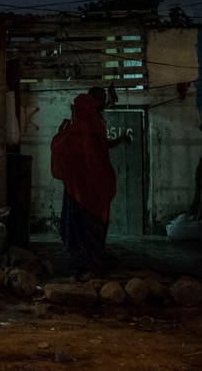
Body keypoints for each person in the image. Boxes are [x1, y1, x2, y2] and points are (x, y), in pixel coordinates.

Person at [50, 86, 131, 276]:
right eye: (97, 100)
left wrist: (61, 133)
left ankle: (86, 261)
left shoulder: (81, 126)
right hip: (97, 184)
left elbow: (69, 152)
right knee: (96, 224)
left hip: (82, 188)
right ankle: (95, 258)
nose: (100, 104)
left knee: (82, 224)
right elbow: (93, 154)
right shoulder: (93, 124)